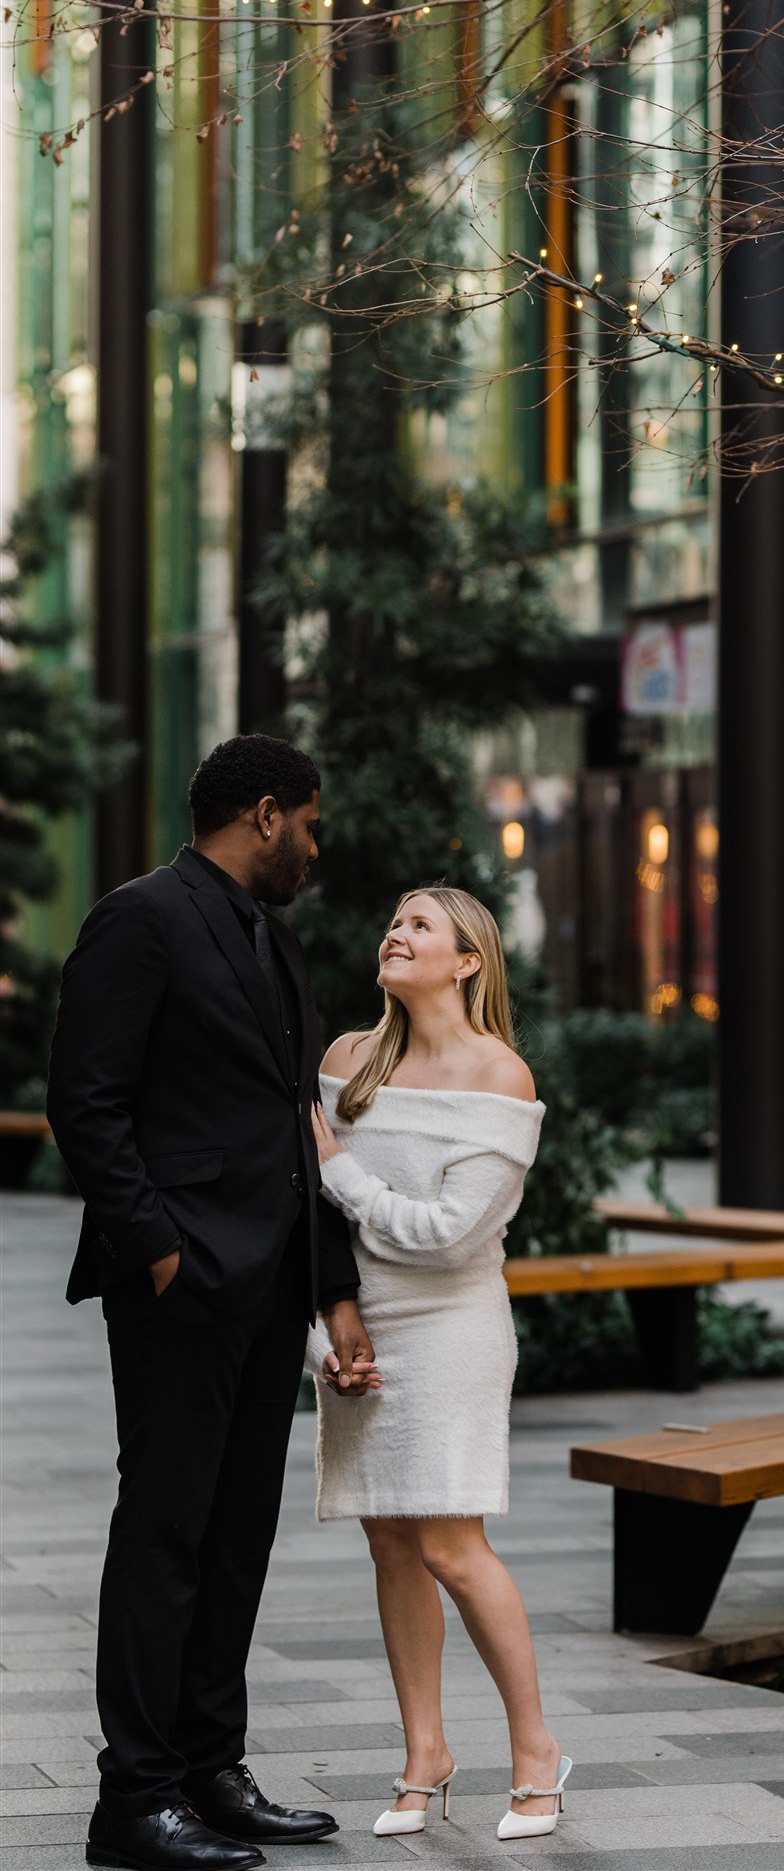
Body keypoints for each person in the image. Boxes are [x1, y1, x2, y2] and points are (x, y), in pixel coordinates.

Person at [47, 735, 378, 1871]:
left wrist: (331, 1286)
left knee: (235, 1539)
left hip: (268, 1282)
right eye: (313, 824)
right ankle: (132, 1801)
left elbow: (299, 1126)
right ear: (269, 813)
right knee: (166, 1535)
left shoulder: (268, 938)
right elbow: (85, 1102)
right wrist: (159, 1255)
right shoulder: (140, 917)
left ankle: (207, 1767)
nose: (318, 847)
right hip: (183, 1287)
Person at [309, 885, 570, 1844]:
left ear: (468, 960)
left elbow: (452, 1238)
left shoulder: (499, 1076)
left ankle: (536, 1753)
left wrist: (338, 1168)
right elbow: (310, 1226)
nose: (395, 932)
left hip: (452, 1325)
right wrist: (326, 1343)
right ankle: (426, 1754)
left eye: (420, 925)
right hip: (356, 1332)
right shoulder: (348, 1060)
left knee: (453, 1549)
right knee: (389, 1545)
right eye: (393, 921)